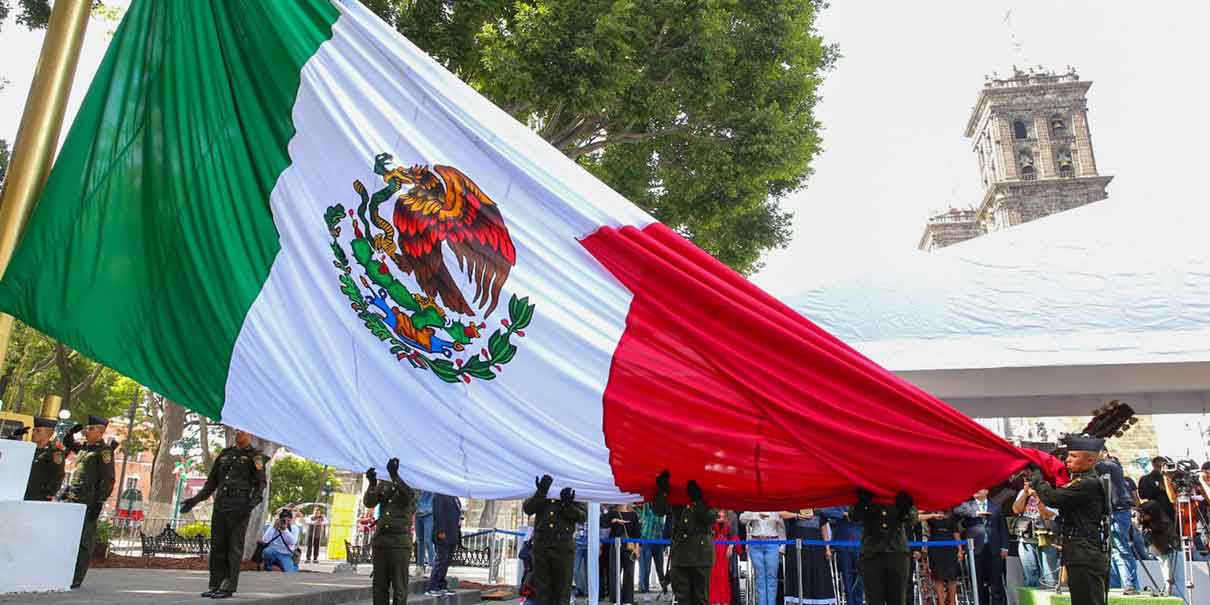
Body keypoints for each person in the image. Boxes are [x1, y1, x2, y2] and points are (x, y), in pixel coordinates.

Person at [179, 428, 268, 599]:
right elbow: (211, 483)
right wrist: (195, 500)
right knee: (217, 546)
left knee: (233, 547)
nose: (238, 433)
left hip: (239, 507)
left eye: (242, 431)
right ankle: (215, 584)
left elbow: (260, 484)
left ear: (250, 434)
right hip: (221, 506)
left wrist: (249, 505)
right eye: (236, 430)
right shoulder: (225, 454)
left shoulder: (255, 456)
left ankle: (228, 586)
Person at [1028, 435, 1109, 605]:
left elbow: (1052, 498)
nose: (1067, 460)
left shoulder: (1088, 483)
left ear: (1090, 460)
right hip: (1079, 548)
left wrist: (1037, 474)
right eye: (1068, 455)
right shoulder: (1079, 481)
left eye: (1073, 456)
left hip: (1084, 550)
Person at [58, 415, 115, 589]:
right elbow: (69, 443)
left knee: (83, 540)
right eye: (86, 429)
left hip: (88, 500)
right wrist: (70, 433)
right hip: (72, 497)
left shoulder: (103, 452)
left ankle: (76, 577)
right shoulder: (85, 448)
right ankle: (63, 572)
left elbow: (109, 480)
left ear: (100, 431)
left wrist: (100, 501)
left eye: (90, 429)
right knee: (68, 537)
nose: (86, 432)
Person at [652, 470, 716, 605]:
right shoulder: (676, 486)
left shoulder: (708, 484)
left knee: (700, 600)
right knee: (682, 599)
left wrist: (697, 501)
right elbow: (659, 511)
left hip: (700, 553)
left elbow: (711, 518)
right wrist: (662, 491)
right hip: (680, 552)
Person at [522, 474, 586, 605]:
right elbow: (528, 508)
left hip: (563, 544)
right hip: (542, 543)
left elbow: (582, 516)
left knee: (562, 593)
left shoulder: (573, 483)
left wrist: (567, 505)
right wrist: (541, 492)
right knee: (542, 592)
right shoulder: (542, 484)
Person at [363, 458, 416, 605]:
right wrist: (372, 484)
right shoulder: (385, 484)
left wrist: (395, 476)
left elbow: (407, 496)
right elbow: (369, 502)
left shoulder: (412, 481)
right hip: (381, 542)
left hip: (399, 543)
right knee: (379, 586)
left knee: (399, 587)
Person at [849, 488, 915, 605]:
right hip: (872, 552)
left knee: (898, 600)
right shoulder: (865, 487)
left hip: (897, 551)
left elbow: (913, 519)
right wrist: (862, 502)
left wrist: (905, 509)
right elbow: (853, 516)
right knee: (874, 599)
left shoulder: (900, 487)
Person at [1095, 452, 1138, 594]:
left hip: (1118, 511)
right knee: (1110, 551)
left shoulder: (1111, 464)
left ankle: (1130, 584)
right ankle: (1115, 585)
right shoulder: (1100, 466)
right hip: (1108, 511)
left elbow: (1101, 466)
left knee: (1122, 549)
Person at [956, 489, 1008, 605]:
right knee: (977, 582)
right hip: (975, 550)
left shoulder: (995, 506)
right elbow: (956, 511)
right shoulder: (968, 506)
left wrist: (1004, 547)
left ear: (986, 491)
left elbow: (1003, 527)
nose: (976, 490)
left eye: (980, 488)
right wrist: (975, 514)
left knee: (996, 582)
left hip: (994, 549)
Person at [1011, 481, 1059, 589]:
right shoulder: (1023, 492)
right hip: (1026, 538)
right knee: (1030, 577)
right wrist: (1024, 493)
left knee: (1049, 577)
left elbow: (1048, 515)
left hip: (1046, 538)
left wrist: (1037, 497)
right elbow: (1016, 509)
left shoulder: (1051, 492)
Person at [783, 509, 836, 605]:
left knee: (817, 577)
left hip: (817, 552)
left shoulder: (819, 513)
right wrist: (797, 516)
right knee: (800, 576)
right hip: (798, 552)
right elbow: (780, 514)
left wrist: (827, 548)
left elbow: (825, 532)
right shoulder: (795, 510)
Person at [1137, 500, 1186, 603]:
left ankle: (1177, 599)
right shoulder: (1151, 523)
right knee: (1167, 577)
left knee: (1173, 579)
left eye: (1143, 514)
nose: (1141, 516)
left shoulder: (1163, 524)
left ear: (1152, 513)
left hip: (1170, 552)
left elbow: (1164, 541)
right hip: (1163, 553)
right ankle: (1169, 595)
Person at [7, 416, 66, 502]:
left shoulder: (54, 453)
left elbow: (59, 474)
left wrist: (50, 493)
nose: (34, 433)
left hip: (37, 496)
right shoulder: (27, 448)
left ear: (49, 433)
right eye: (34, 430)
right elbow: (7, 450)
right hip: (19, 492)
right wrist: (13, 436)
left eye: (38, 431)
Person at [818, 507, 864, 605]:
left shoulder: (860, 502)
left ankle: (858, 602)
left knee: (861, 578)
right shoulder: (839, 502)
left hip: (860, 544)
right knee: (847, 578)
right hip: (843, 546)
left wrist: (856, 515)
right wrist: (843, 514)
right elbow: (824, 511)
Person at [738, 510, 784, 605]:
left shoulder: (775, 504)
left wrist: (782, 545)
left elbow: (781, 525)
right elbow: (742, 519)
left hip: (772, 542)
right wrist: (756, 514)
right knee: (760, 578)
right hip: (755, 543)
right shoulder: (754, 505)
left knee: (771, 578)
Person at [920, 510, 961, 605]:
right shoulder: (931, 514)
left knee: (952, 576)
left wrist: (959, 550)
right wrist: (932, 514)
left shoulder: (951, 516)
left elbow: (956, 533)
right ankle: (941, 602)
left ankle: (952, 602)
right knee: (938, 576)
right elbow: (919, 516)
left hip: (950, 547)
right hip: (935, 547)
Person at [603, 502, 641, 605]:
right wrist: (614, 520)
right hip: (615, 546)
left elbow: (637, 532)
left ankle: (628, 600)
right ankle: (616, 599)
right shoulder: (612, 513)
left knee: (629, 572)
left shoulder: (633, 514)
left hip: (630, 546)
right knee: (614, 572)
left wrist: (637, 547)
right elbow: (603, 522)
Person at [426, 492, 462, 596]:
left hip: (452, 533)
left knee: (447, 561)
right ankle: (433, 586)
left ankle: (441, 584)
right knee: (441, 559)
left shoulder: (454, 496)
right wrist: (440, 531)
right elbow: (439, 514)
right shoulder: (439, 495)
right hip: (443, 533)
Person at [636, 502, 668, 594]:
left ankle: (664, 589)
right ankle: (646, 591)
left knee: (660, 569)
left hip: (658, 542)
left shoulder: (662, 512)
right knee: (646, 569)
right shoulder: (647, 507)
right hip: (647, 541)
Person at [709, 510, 738, 605]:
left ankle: (724, 599)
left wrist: (731, 545)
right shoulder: (711, 513)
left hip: (724, 550)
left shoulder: (731, 515)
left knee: (723, 574)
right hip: (713, 548)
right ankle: (714, 600)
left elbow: (734, 535)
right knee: (713, 574)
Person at [262, 507, 302, 572]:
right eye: (283, 520)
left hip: (286, 554)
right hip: (273, 551)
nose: (285, 522)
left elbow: (293, 542)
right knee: (267, 552)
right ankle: (269, 567)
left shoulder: (294, 528)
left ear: (291, 520)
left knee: (290, 572)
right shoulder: (274, 525)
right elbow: (265, 540)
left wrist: (285, 530)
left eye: (288, 520)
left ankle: (293, 566)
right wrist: (273, 528)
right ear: (279, 519)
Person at [415, 489, 435, 569]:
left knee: (428, 541)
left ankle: (432, 565)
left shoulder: (430, 483)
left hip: (429, 515)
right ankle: (420, 566)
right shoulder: (416, 484)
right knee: (420, 541)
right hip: (418, 515)